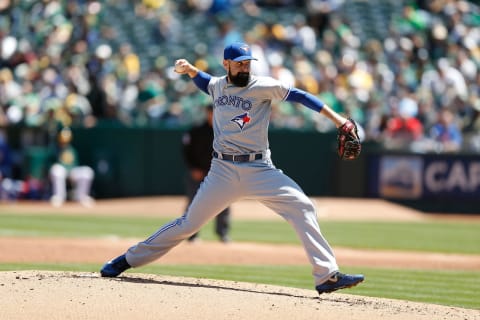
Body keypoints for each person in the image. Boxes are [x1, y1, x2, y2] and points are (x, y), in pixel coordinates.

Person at [101, 42, 365, 295]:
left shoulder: (262, 86)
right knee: (188, 224)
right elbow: (205, 82)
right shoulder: (218, 85)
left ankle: (326, 275)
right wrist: (191, 70)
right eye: (238, 64)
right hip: (222, 171)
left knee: (303, 206)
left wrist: (339, 120)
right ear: (226, 64)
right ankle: (127, 259)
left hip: (260, 168)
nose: (244, 67)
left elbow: (301, 96)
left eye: (248, 63)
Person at [182, 104, 231, 243]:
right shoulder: (196, 130)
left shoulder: (226, 131)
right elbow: (186, 151)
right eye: (212, 112)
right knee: (194, 204)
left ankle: (223, 233)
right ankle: (191, 235)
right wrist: (193, 168)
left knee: (223, 203)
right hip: (198, 172)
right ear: (207, 113)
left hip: (219, 173)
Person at [48, 127, 95, 207]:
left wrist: (71, 173)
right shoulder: (55, 149)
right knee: (57, 170)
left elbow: (74, 164)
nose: (64, 142)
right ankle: (59, 197)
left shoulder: (72, 150)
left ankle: (81, 197)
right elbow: (51, 165)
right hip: (62, 172)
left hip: (72, 172)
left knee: (87, 171)